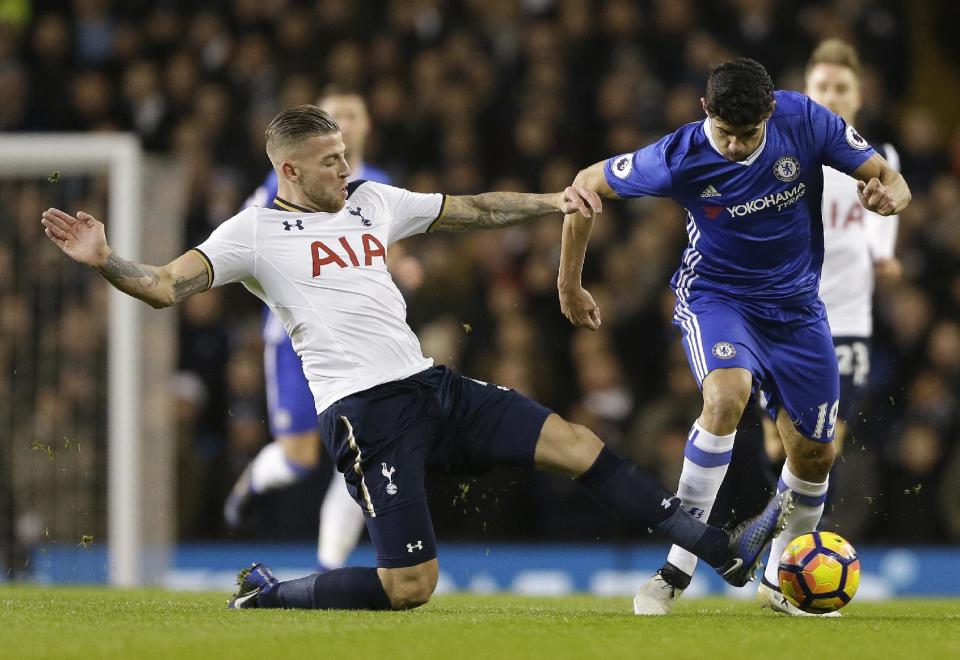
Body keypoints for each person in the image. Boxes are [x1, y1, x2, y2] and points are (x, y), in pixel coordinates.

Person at [42, 104, 793, 612]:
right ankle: (268, 594)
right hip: (367, 415)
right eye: (330, 161)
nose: (346, 168)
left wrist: (552, 202)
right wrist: (107, 259)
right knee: (409, 586)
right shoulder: (249, 234)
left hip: (432, 387)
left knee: (576, 443)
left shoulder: (371, 201)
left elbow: (469, 209)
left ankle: (720, 551)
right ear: (291, 173)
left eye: (344, 155)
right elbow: (166, 288)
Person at [557, 58, 910, 616]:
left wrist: (889, 196)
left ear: (770, 112)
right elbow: (582, 186)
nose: (737, 146)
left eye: (748, 135)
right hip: (717, 298)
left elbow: (891, 179)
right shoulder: (677, 156)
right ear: (705, 112)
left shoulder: (806, 120)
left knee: (815, 454)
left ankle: (780, 579)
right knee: (726, 396)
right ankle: (676, 568)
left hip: (797, 308)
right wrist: (570, 283)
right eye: (725, 133)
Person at [756, 40, 903, 612]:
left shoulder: (874, 153)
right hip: (781, 318)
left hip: (844, 323)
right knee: (780, 444)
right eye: (822, 87)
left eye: (842, 88)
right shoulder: (789, 154)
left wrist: (883, 252)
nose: (832, 96)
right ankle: (781, 549)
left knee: (823, 446)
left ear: (859, 96)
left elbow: (880, 211)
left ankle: (785, 562)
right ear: (806, 94)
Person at [224, 89, 389, 574]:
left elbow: (387, 248)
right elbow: (246, 238)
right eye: (333, 115)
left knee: (366, 446)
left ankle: (329, 567)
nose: (343, 122)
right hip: (295, 337)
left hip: (356, 337)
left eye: (351, 114)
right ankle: (252, 482)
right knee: (299, 457)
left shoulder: (379, 186)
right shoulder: (281, 184)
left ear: (366, 125)